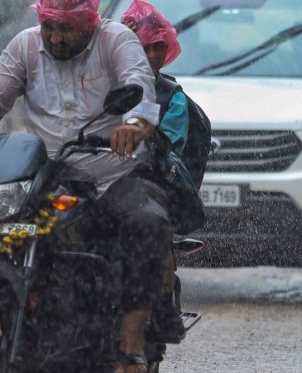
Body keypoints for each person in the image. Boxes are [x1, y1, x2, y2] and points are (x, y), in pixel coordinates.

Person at [0, 0, 172, 373]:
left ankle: (131, 340)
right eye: (49, 27)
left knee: (147, 222)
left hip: (114, 173)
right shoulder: (26, 45)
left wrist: (134, 124)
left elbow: (138, 87)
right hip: (49, 174)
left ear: (89, 23)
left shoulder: (116, 40)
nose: (56, 37)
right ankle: (8, 323)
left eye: (66, 29)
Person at [122, 0, 188, 342]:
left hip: (151, 176)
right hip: (100, 173)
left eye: (158, 47)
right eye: (141, 47)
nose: (151, 56)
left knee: (154, 228)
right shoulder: (102, 80)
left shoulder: (172, 96)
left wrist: (141, 133)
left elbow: (169, 145)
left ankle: (162, 306)